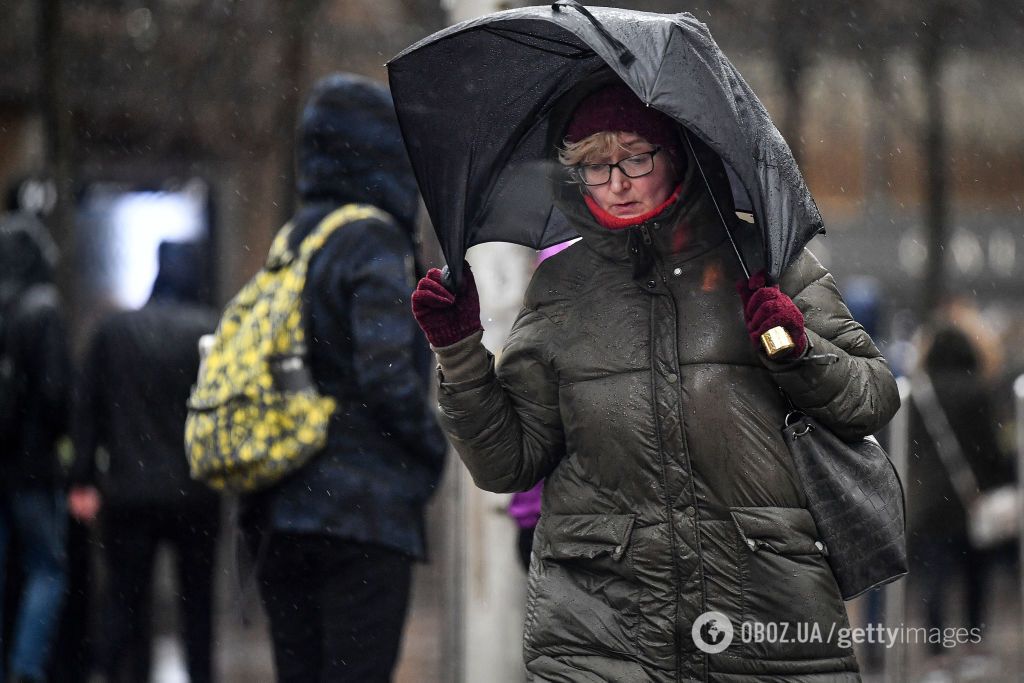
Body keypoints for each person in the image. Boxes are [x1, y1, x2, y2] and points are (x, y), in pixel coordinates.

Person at [412, 81, 900, 681]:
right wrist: (459, 352)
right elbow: (507, 463)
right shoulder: (560, 287)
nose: (616, 182)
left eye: (635, 157)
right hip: (600, 632)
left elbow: (872, 398)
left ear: (677, 155)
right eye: (593, 165)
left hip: (763, 615)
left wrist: (796, 348)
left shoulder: (765, 258)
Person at [239, 73, 448, 683]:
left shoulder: (297, 238)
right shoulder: (371, 240)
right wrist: (429, 450)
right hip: (361, 518)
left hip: (282, 507)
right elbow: (385, 374)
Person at [68, 242, 220, 683]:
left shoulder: (113, 332)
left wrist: (82, 478)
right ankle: (201, 675)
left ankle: (115, 674)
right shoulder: (209, 330)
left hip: (128, 492)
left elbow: (87, 408)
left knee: (124, 600)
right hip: (196, 491)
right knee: (198, 605)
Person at [907, 323, 1011, 652]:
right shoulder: (977, 389)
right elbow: (991, 445)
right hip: (972, 497)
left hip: (929, 498)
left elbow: (910, 445)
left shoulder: (919, 392)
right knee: (975, 574)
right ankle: (973, 641)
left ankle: (935, 650)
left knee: (934, 576)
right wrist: (996, 483)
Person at [0, 213, 71, 683]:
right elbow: (54, 392)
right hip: (31, 467)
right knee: (48, 569)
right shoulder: (42, 308)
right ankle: (26, 668)